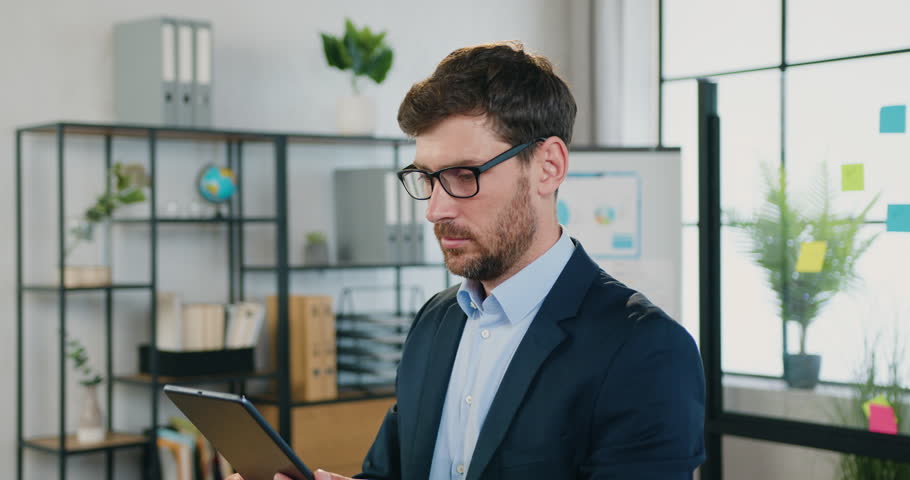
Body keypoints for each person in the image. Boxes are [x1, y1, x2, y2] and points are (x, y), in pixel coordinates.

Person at [229, 40, 705, 480]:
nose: (435, 209)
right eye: (427, 178)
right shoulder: (434, 322)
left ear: (549, 167)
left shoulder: (646, 349)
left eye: (463, 175)